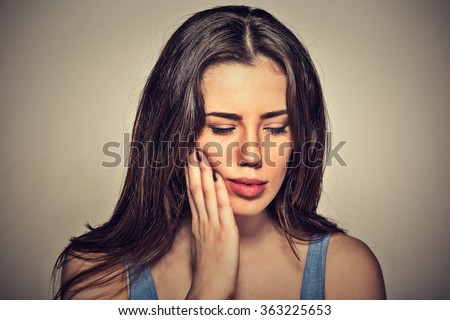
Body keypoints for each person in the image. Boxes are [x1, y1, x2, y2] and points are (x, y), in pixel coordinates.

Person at [53, 5, 386, 300]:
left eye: (276, 127)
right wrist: (208, 289)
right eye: (223, 128)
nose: (253, 154)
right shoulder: (97, 273)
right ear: (173, 134)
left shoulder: (346, 272)